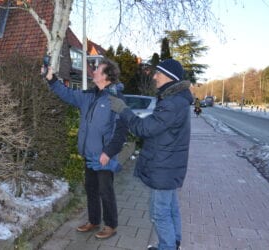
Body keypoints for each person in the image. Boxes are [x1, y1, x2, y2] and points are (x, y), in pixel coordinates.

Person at [108, 59, 193, 250]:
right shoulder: (176, 100)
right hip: (170, 165)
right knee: (171, 208)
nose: (154, 77)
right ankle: (173, 242)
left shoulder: (172, 103)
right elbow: (158, 127)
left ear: (169, 78)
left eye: (158, 74)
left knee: (159, 212)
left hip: (164, 166)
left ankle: (167, 246)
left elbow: (144, 129)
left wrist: (123, 109)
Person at [43, 58, 128, 239]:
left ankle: (111, 225)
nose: (94, 72)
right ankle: (94, 220)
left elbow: (121, 131)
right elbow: (66, 93)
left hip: (104, 156)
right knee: (91, 189)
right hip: (90, 155)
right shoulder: (89, 96)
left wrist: (109, 153)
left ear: (106, 76)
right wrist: (51, 79)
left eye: (98, 70)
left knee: (106, 191)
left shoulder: (116, 99)